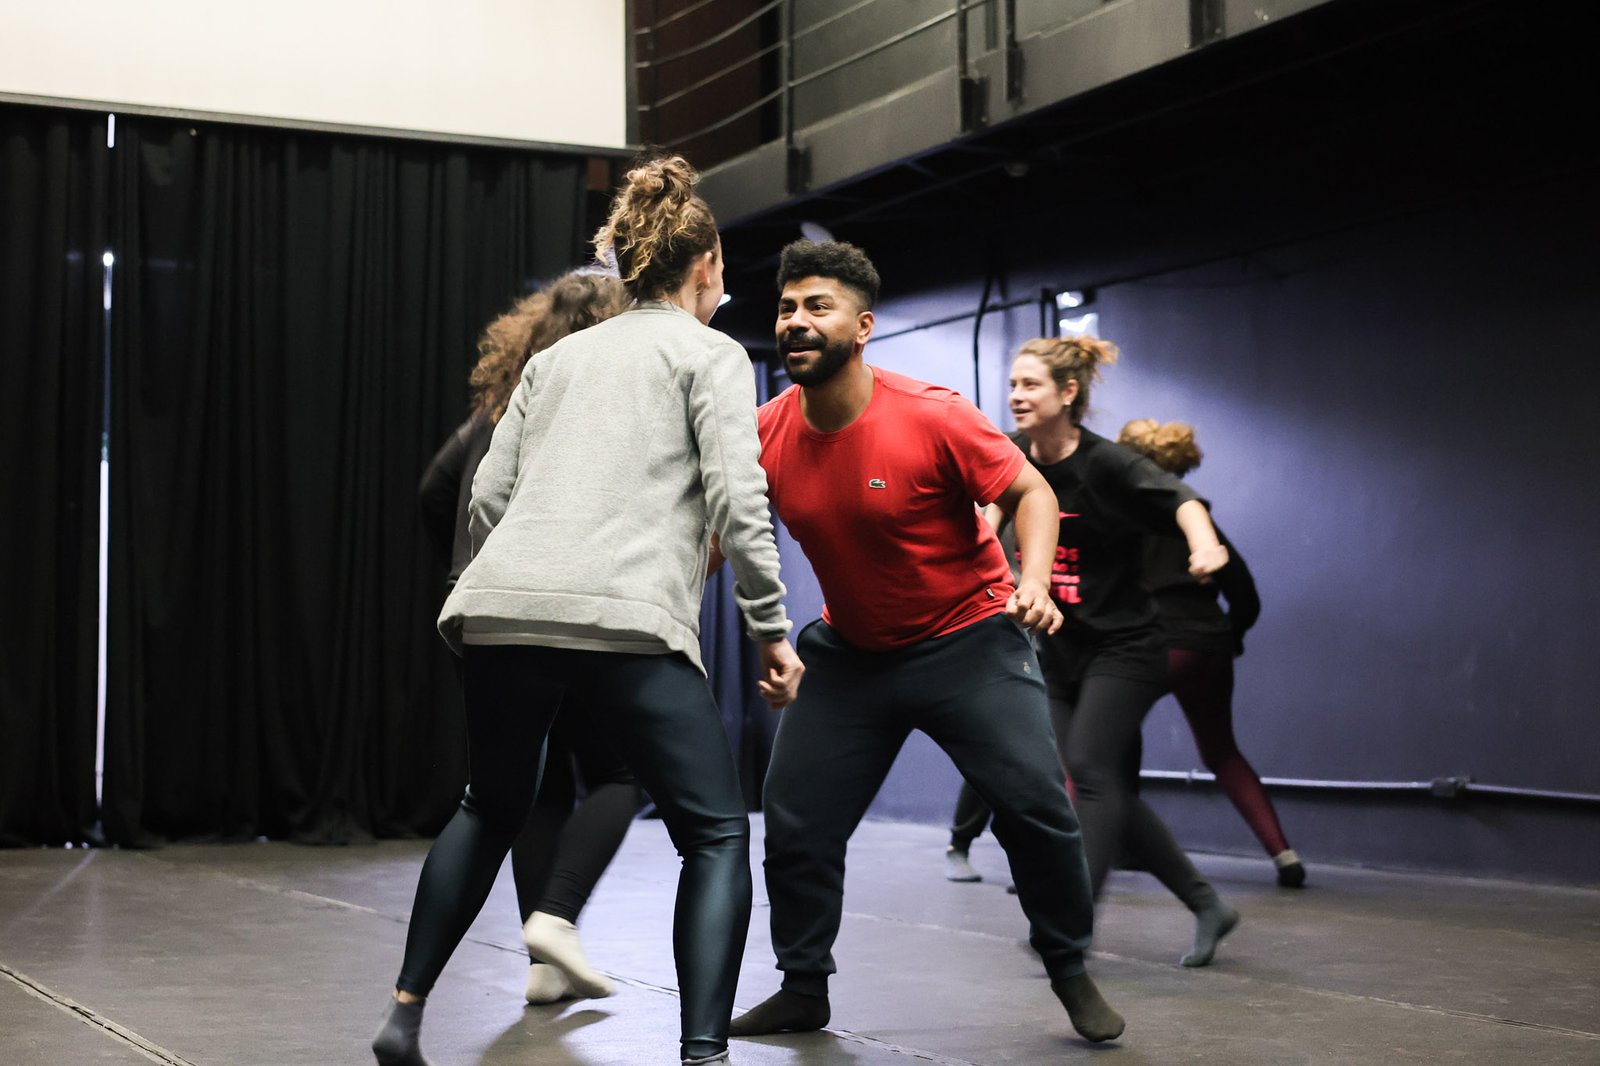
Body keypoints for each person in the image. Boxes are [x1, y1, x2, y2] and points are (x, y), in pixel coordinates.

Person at [373, 154, 805, 1066]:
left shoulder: (558, 358)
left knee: (487, 806)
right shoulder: (710, 354)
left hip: (499, 614)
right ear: (705, 266)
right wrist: (771, 628)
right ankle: (702, 1053)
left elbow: (488, 496)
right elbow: (739, 498)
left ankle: (405, 1014)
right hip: (625, 621)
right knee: (717, 834)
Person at [726, 240, 1126, 1045]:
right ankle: (804, 986)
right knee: (795, 819)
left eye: (818, 307)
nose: (796, 321)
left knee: (1036, 808)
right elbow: (720, 533)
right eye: (787, 308)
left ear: (863, 326)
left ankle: (1069, 966)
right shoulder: (764, 431)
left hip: (968, 638)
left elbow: (1031, 491)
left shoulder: (930, 413)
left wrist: (1036, 582)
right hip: (851, 653)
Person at [417, 270, 649, 1007]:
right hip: (560, 609)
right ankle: (556, 917)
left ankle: (544, 964)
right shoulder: (590, 403)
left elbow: (433, 489)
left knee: (533, 789)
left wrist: (465, 566)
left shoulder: (500, 404)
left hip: (479, 617)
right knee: (620, 774)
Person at [997, 336, 1241, 967]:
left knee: (1089, 768)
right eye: (1014, 384)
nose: (1016, 396)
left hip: (1126, 647)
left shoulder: (1106, 464)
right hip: (1058, 648)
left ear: (1067, 393)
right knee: (1087, 779)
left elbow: (1182, 500)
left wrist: (1206, 547)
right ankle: (1206, 901)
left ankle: (1072, 926)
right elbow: (986, 517)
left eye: (1030, 385)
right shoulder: (1014, 457)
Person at [1117, 419, 1304, 887]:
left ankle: (1078, 860)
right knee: (1222, 751)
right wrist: (1231, 634)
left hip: (1152, 642)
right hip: (1209, 644)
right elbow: (1245, 592)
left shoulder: (1120, 517)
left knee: (1092, 746)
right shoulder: (1196, 515)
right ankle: (1284, 855)